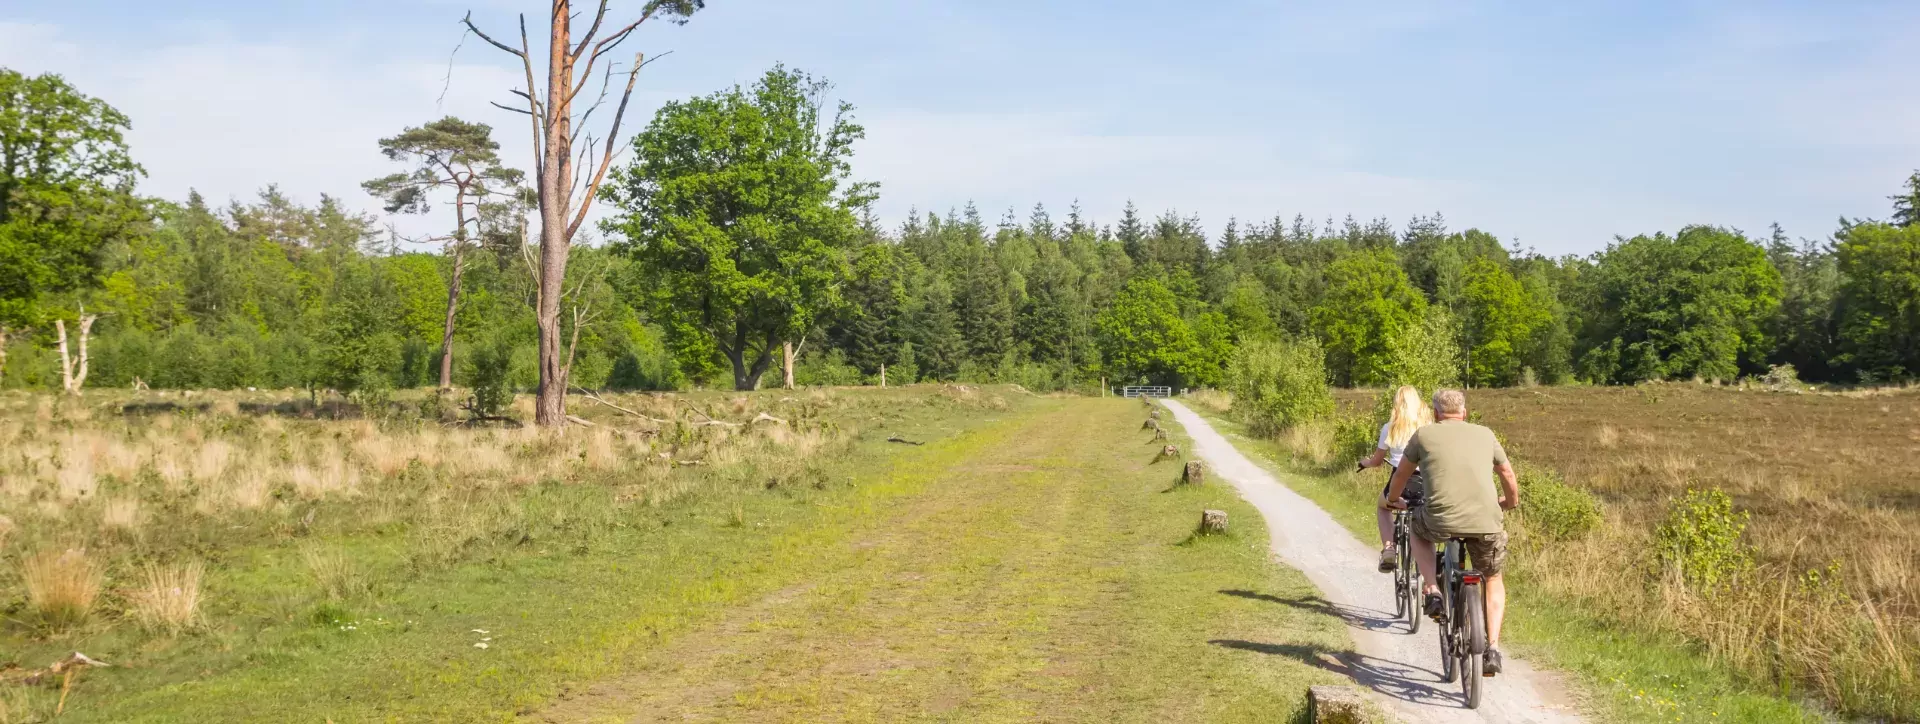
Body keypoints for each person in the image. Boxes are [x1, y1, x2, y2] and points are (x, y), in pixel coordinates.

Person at [1381, 388, 1520, 676]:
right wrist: (1510, 502)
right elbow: (1506, 474)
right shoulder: (1486, 434)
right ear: (1465, 413)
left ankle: (1432, 589)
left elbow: (1402, 475)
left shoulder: (1424, 435)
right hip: (1486, 522)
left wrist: (1394, 499)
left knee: (1418, 529)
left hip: (1440, 520)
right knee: (1492, 577)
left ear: (1435, 413)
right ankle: (1492, 648)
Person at [1355, 385, 1433, 573]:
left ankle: (1389, 547)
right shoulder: (1428, 427)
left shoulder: (1389, 427)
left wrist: (1364, 463)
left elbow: (1377, 461)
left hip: (1400, 484)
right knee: (1425, 511)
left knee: (1383, 507)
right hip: (1425, 484)